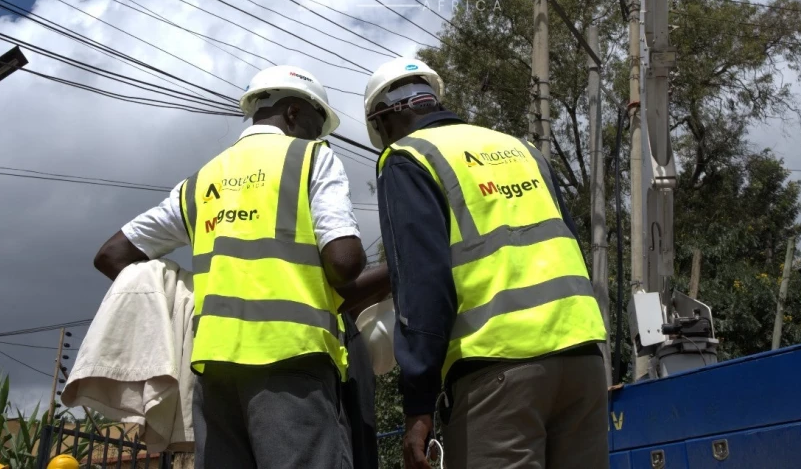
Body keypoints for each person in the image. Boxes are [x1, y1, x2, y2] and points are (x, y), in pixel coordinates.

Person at [94, 65, 386, 469]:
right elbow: (344, 264)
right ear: (292, 112)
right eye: (317, 125)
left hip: (213, 371)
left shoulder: (200, 182)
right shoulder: (310, 158)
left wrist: (185, 298)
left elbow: (112, 254)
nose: (319, 136)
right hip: (292, 362)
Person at [364, 58, 610, 469]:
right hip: (583, 363)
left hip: (498, 371)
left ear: (382, 120)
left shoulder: (407, 157)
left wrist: (419, 406)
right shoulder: (522, 149)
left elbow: (422, 285)